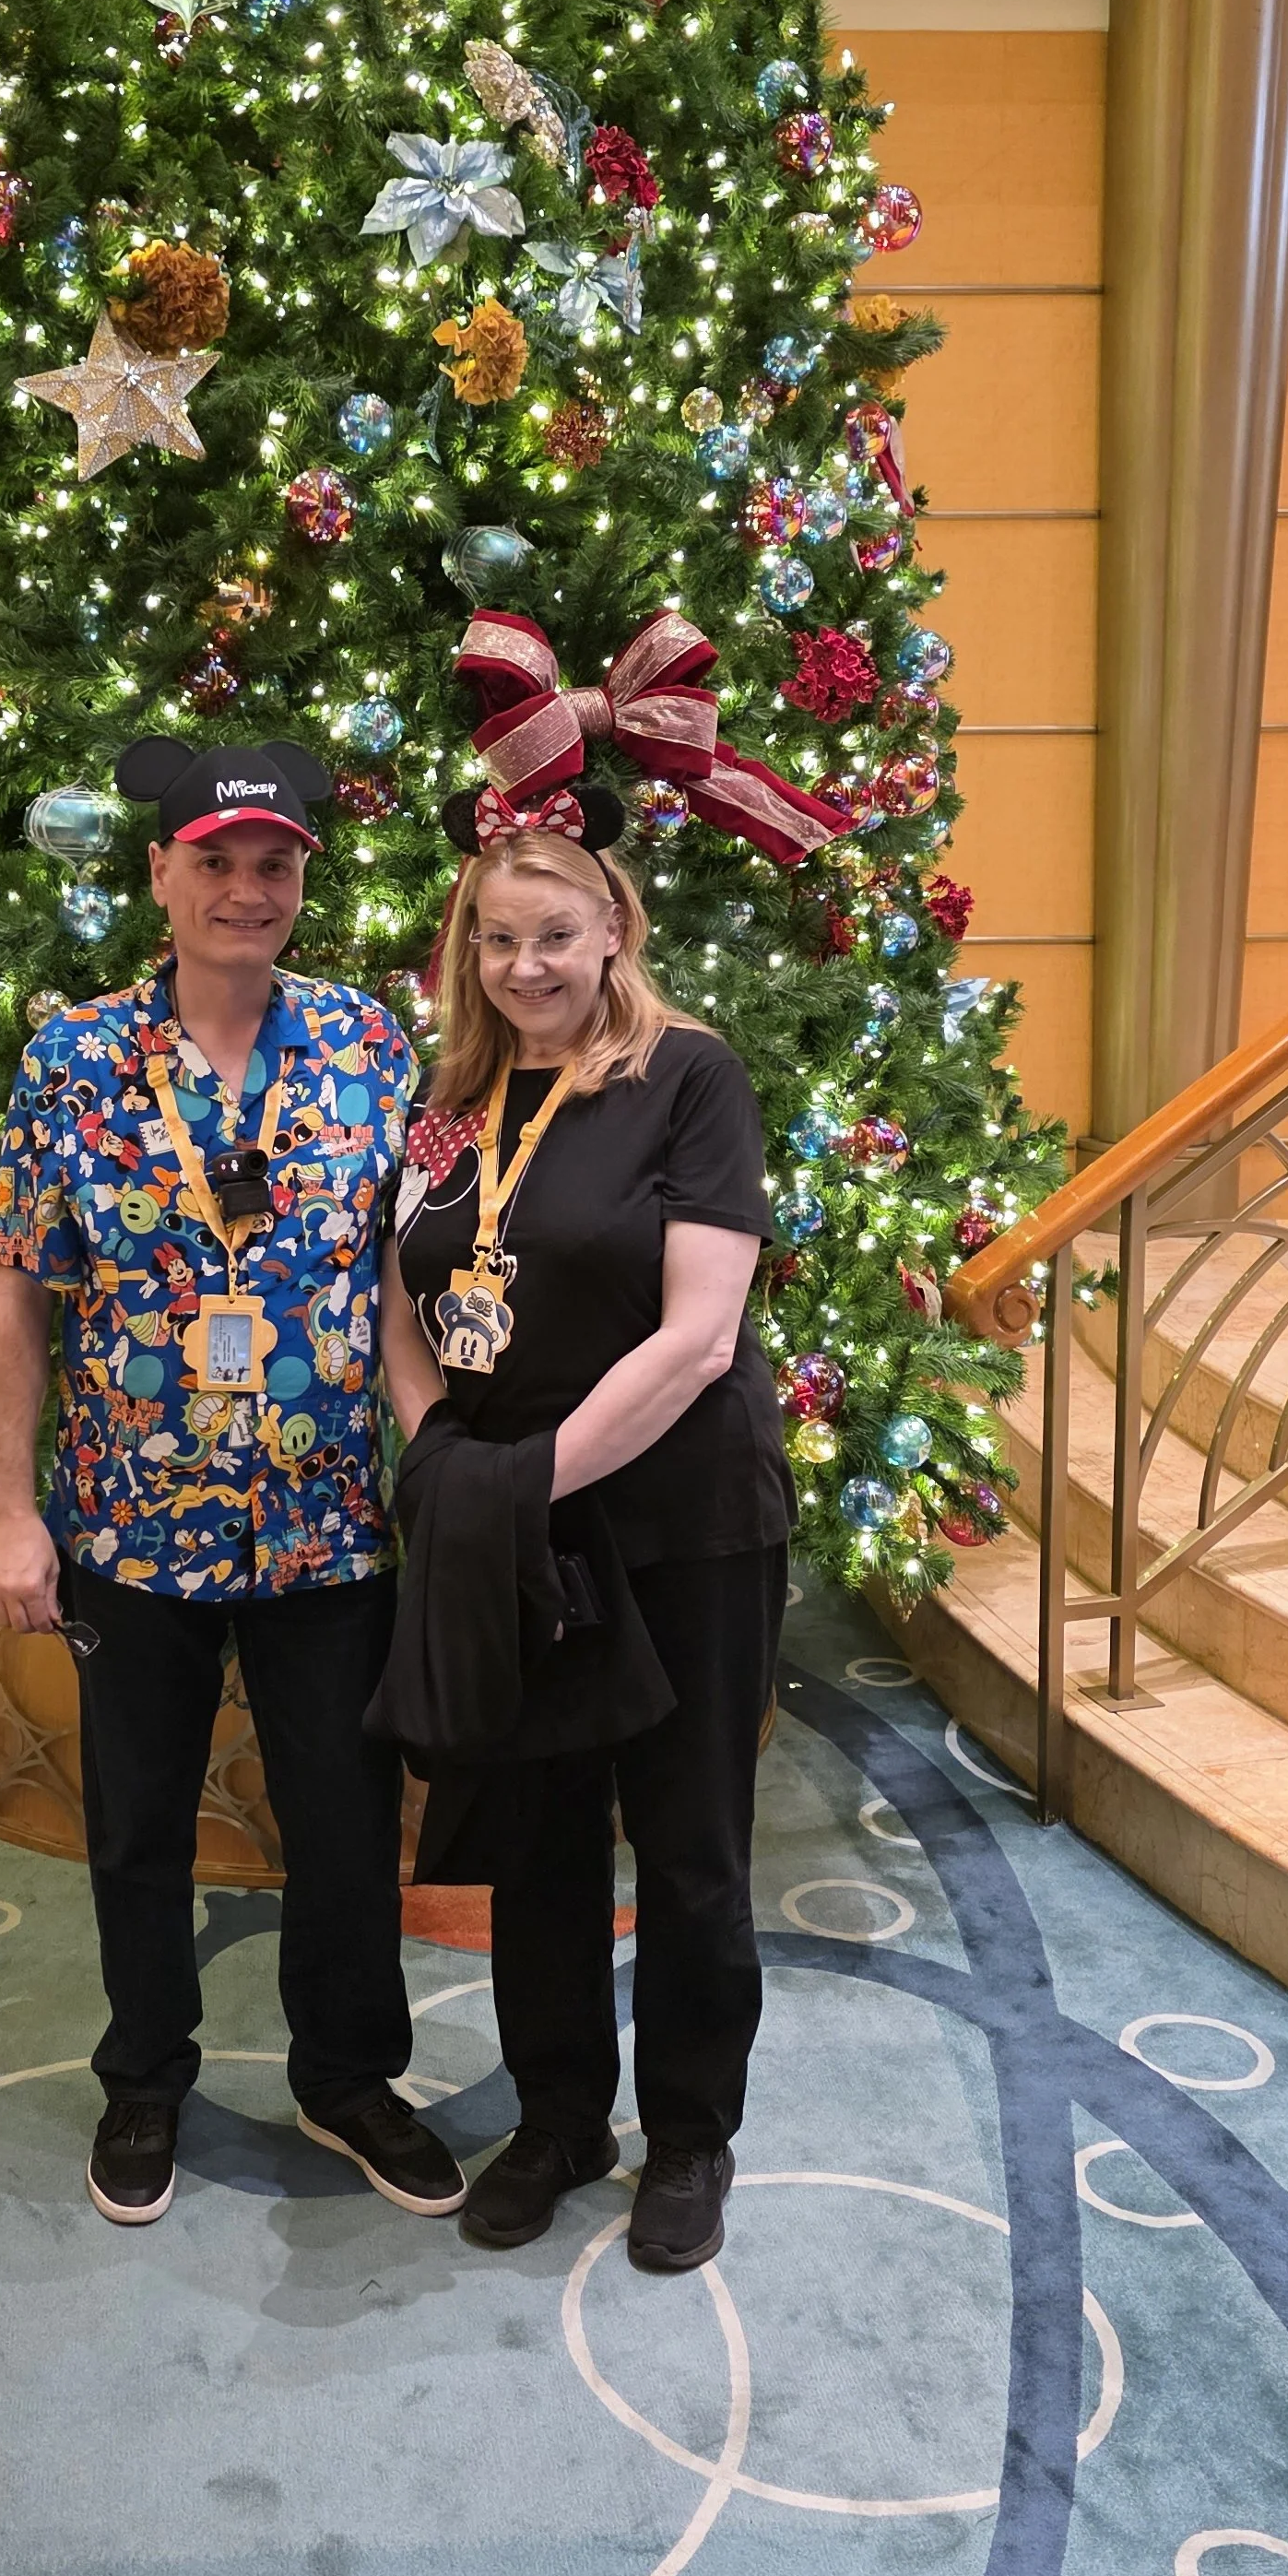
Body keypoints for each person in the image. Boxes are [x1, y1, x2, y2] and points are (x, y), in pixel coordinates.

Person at [0, 736, 466, 2233]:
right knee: (136, 1822)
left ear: (303, 880)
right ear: (160, 875)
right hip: (133, 1523)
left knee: (338, 1816)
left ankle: (348, 2075)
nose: (245, 891)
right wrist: (12, 1511)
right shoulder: (73, 1059)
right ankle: (146, 2080)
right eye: (216, 863)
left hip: (326, 1525)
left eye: (273, 866)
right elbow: (18, 1295)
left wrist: (433, 1452)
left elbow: (398, 1278)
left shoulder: (373, 1045)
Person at [379, 791, 793, 2275]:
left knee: (688, 1843)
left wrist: (521, 1477)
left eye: (554, 934)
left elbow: (697, 1338)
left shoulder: (688, 1077)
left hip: (678, 1521)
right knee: (539, 1838)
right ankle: (561, 2121)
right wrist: (434, 1447)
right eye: (495, 939)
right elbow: (402, 1294)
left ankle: (690, 2135)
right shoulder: (451, 1102)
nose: (525, 966)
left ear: (613, 926)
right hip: (506, 1522)